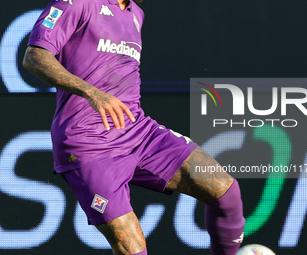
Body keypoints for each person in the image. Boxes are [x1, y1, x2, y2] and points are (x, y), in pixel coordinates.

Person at [23, 0, 245, 254]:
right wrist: (91, 92)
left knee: (225, 190)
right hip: (87, 142)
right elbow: (34, 57)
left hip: (138, 131)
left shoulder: (136, 14)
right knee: (132, 247)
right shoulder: (76, 3)